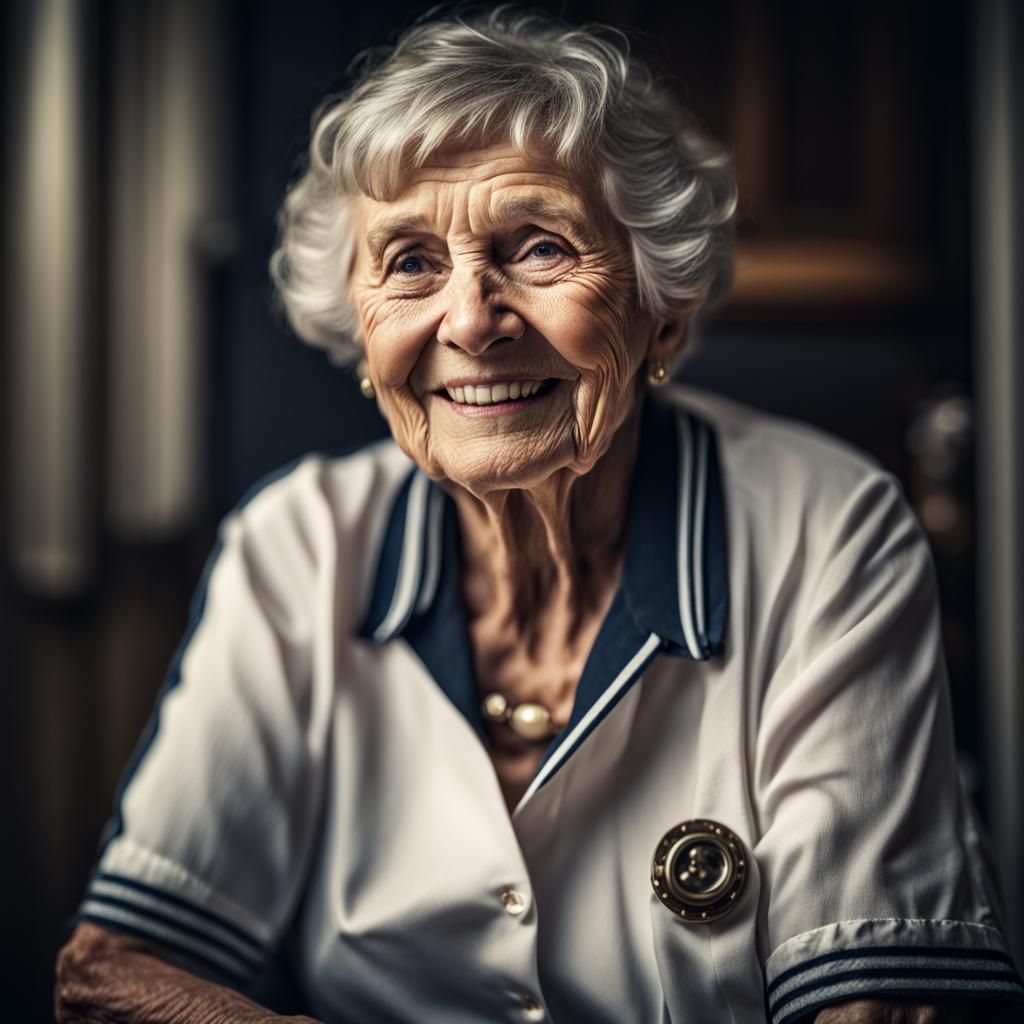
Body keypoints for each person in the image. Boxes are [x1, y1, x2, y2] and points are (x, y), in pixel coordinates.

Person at [56, 9, 1022, 1023]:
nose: (470, 320)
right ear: (359, 324)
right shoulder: (297, 543)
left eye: (539, 248)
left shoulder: (825, 529)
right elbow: (110, 971)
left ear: (662, 310)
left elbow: (884, 1004)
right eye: (412, 262)